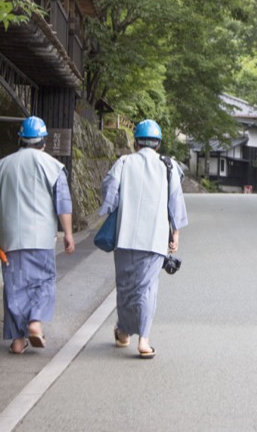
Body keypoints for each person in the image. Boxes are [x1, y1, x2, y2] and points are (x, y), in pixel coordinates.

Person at [0, 116, 76, 355]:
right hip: (41, 237)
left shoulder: (2, 166)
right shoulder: (53, 166)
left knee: (14, 286)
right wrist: (68, 233)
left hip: (11, 239)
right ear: (43, 141)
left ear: (20, 139)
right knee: (43, 281)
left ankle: (17, 341)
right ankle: (35, 321)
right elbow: (63, 205)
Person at [100, 118, 188, 359]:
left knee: (126, 287)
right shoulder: (168, 166)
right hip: (154, 238)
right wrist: (175, 234)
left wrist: (113, 207)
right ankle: (144, 340)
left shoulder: (124, 162)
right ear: (158, 143)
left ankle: (124, 332)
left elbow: (109, 193)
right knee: (146, 288)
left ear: (136, 142)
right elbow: (175, 202)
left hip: (125, 236)